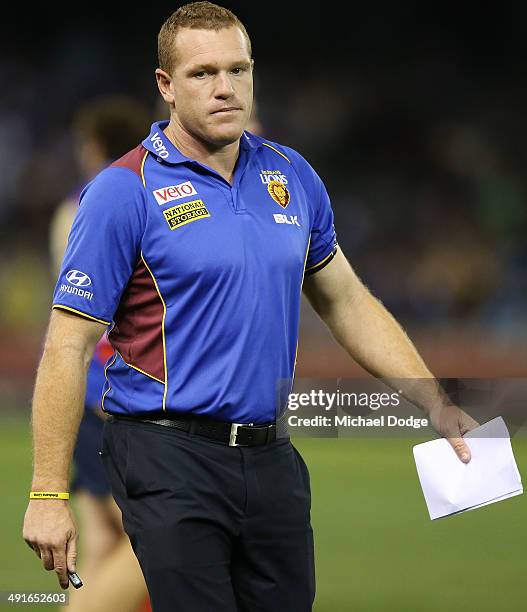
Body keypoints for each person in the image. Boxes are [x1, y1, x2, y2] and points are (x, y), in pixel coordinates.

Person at [23, 3, 478, 611]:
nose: (224, 88)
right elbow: (67, 344)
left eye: (238, 70)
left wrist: (435, 402)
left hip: (272, 457)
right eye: (203, 73)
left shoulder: (294, 176)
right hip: (166, 454)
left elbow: (347, 301)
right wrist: (49, 491)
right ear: (166, 87)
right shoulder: (121, 191)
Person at [49, 97, 151, 612]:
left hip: (89, 392)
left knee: (103, 544)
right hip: (113, 392)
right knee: (152, 541)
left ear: (93, 147)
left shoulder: (79, 206)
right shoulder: (137, 202)